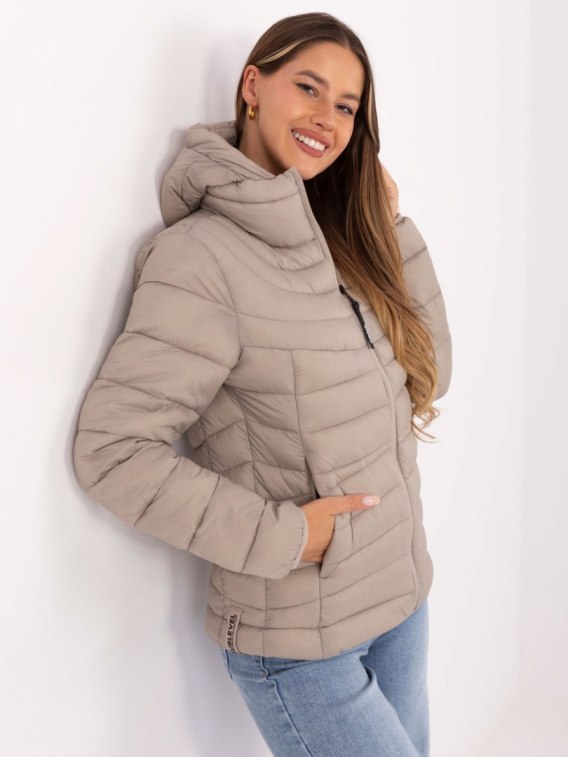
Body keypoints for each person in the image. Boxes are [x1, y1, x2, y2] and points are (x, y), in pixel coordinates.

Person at [72, 11, 452, 757]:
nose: (326, 118)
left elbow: (429, 370)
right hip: (303, 644)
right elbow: (112, 452)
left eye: (346, 106)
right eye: (308, 88)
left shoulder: (341, 233)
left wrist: (390, 224)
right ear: (253, 85)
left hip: (400, 603)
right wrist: (287, 536)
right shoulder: (200, 258)